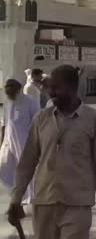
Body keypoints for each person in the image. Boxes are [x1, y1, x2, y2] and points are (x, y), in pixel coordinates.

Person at [7, 65, 96, 237]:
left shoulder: (94, 120)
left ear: (71, 88)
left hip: (77, 205)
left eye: (56, 88)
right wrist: (16, 198)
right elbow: (26, 163)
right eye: (50, 87)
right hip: (44, 203)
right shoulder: (41, 119)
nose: (51, 93)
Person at [0, 76, 40, 204]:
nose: (8, 90)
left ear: (18, 88)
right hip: (8, 143)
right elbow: (5, 124)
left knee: (26, 171)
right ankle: (17, 198)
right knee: (5, 168)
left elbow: (38, 122)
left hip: (25, 144)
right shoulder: (8, 103)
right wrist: (2, 142)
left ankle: (28, 200)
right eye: (6, 87)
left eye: (10, 87)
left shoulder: (30, 101)